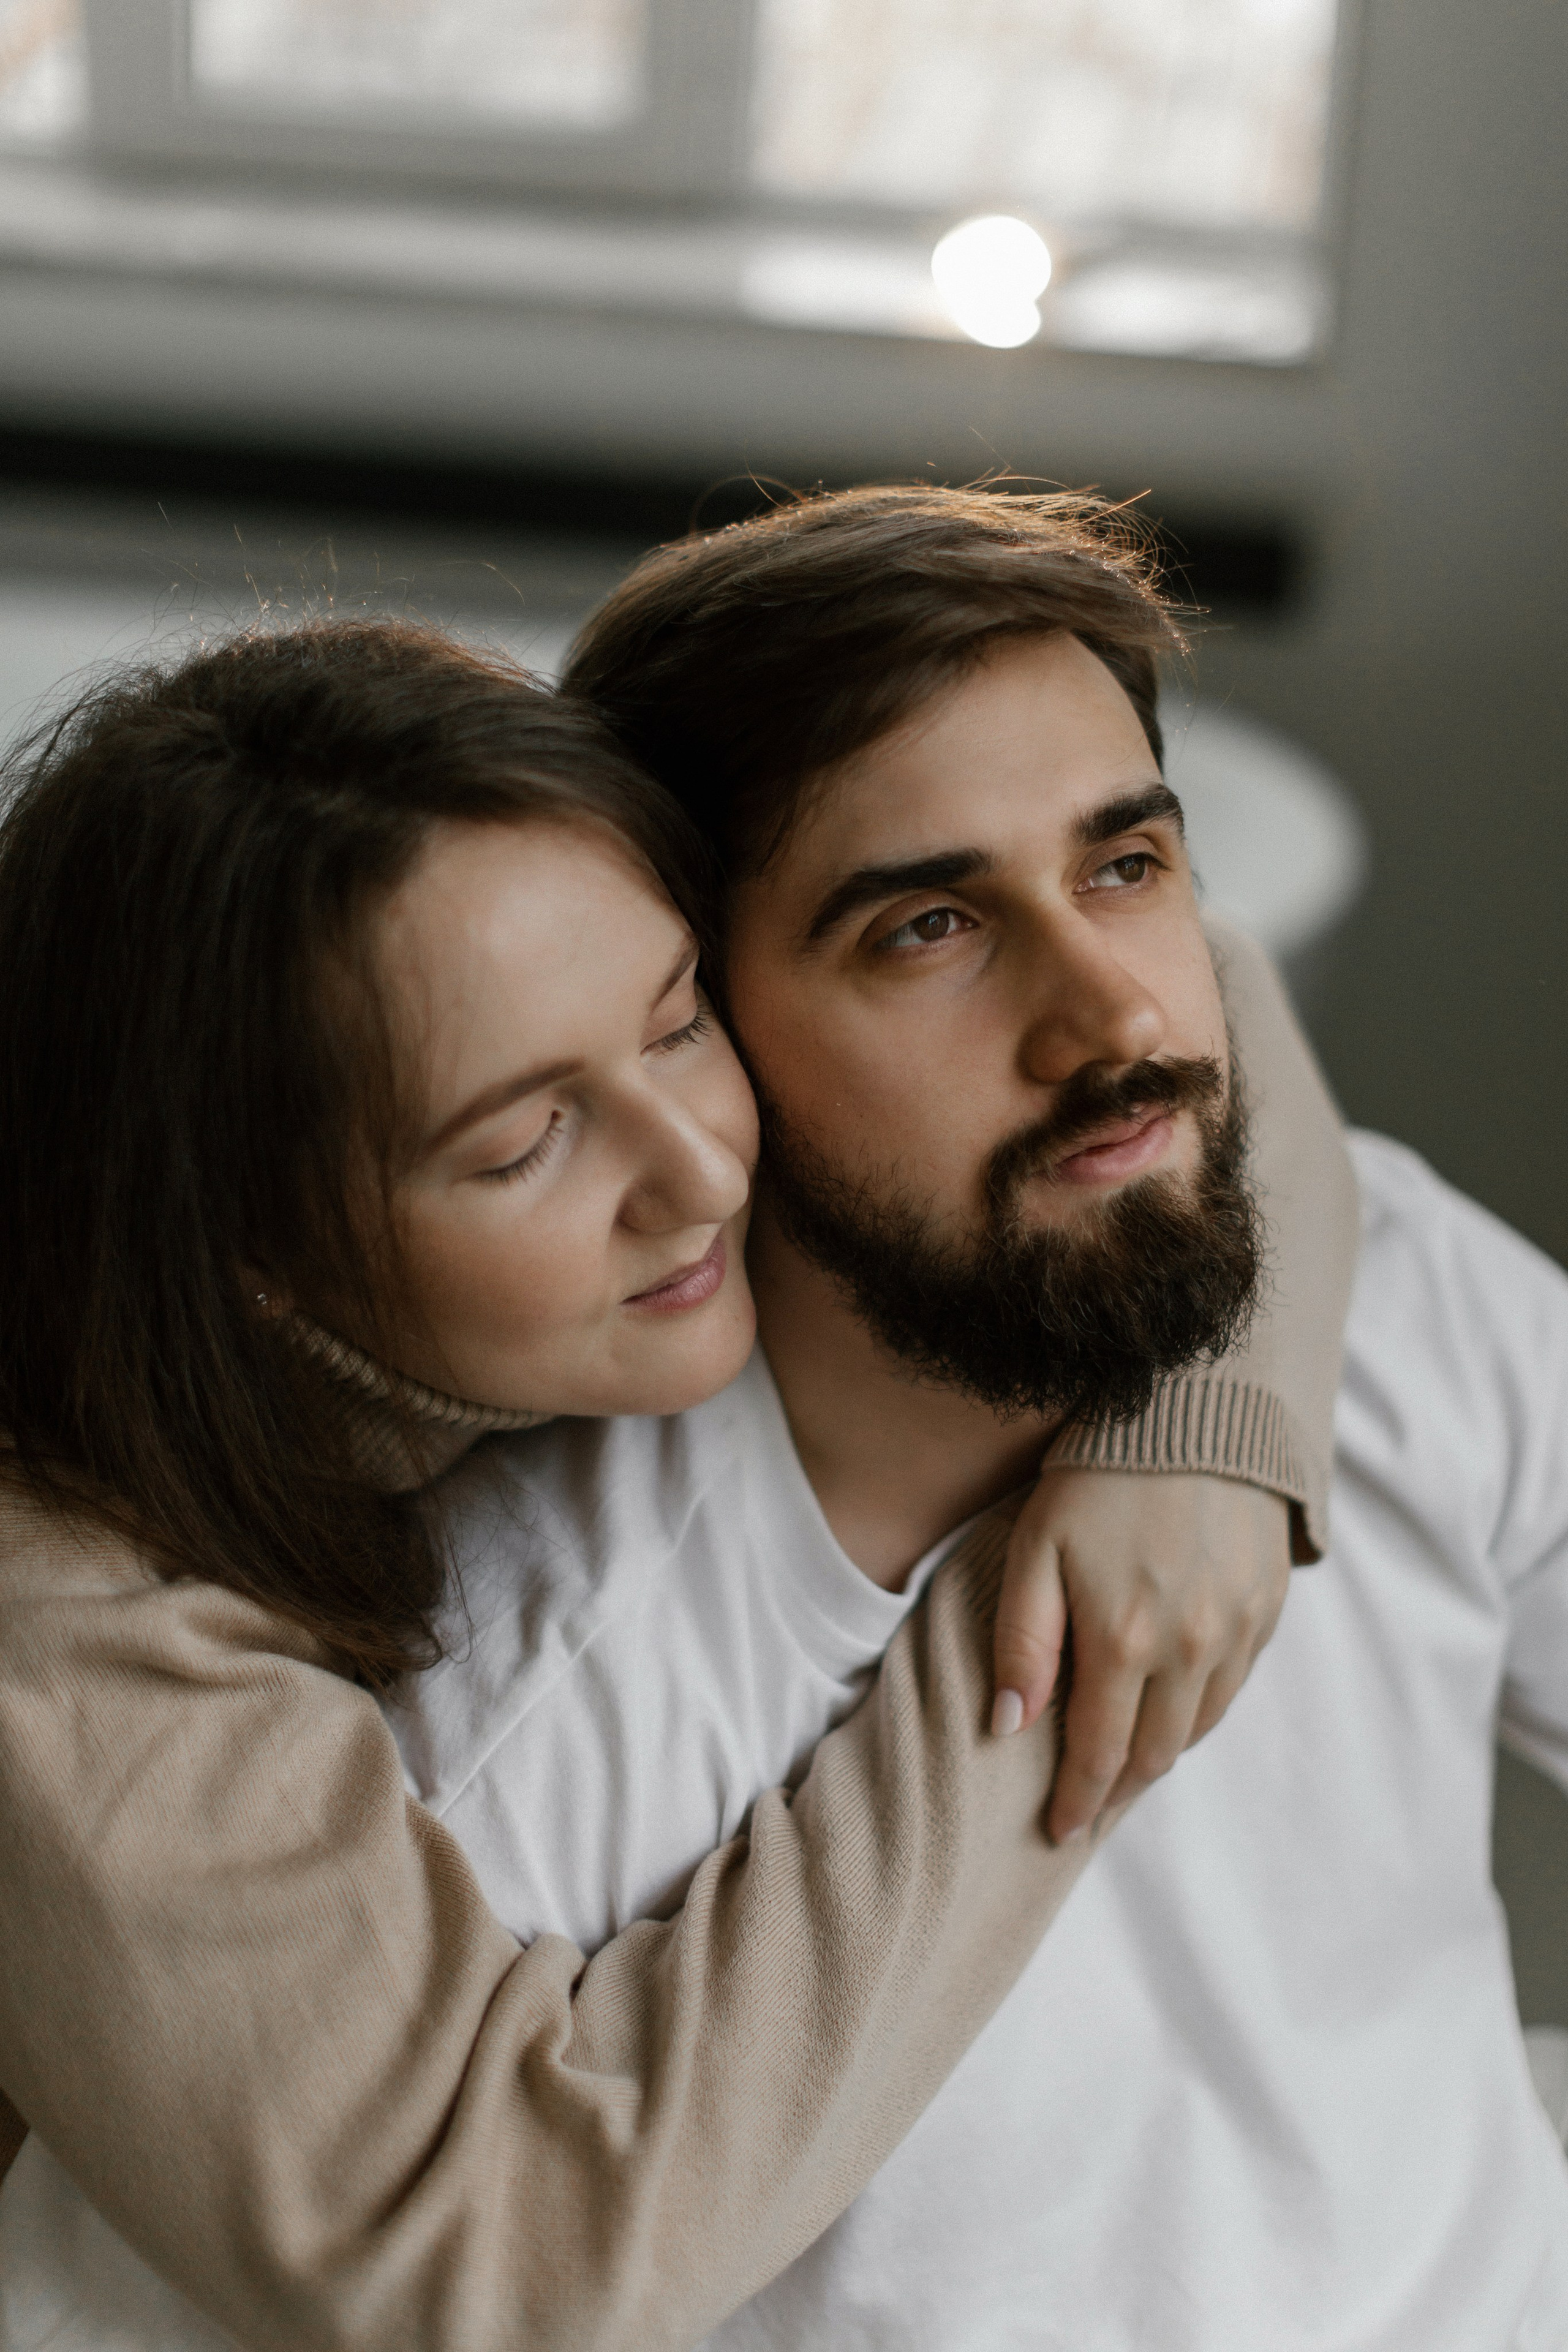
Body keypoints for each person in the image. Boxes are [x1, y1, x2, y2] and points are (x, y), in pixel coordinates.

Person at [0, 616, 1354, 2352]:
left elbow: (1215, 988)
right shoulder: (67, 1610)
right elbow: (508, 2262)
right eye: (525, 1142)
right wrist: (1058, 1628)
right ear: (256, 1256)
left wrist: (1198, 1434)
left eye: (677, 1019)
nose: (704, 1169)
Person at [368, 478, 1558, 2347]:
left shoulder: (1397, 1284)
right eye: (928, 927)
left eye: (1127, 866)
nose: (1113, 1020)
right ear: (694, 1026)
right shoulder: (513, 1710)